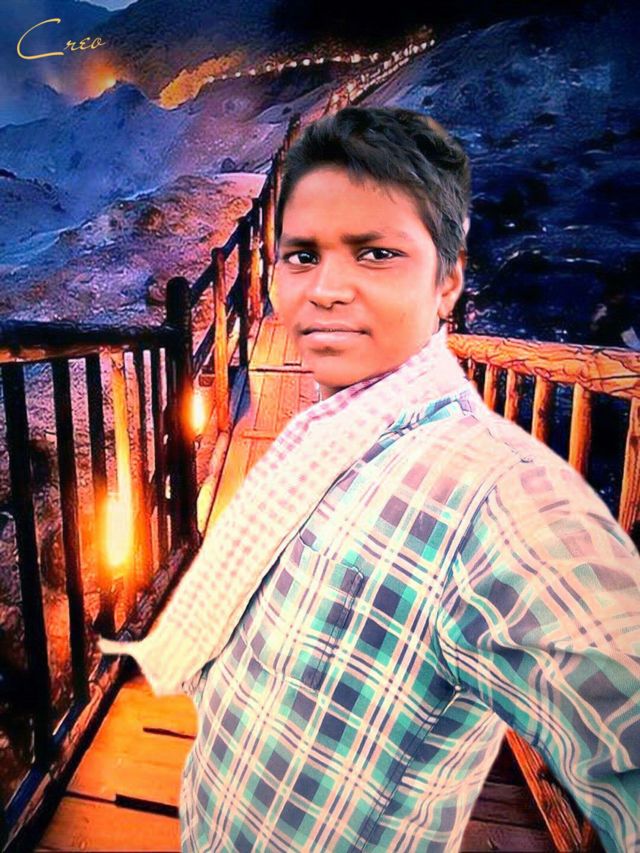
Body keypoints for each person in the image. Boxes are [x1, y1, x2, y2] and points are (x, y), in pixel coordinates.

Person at [100, 106, 640, 852]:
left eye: (377, 253)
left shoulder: (494, 501)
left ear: (447, 281)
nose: (326, 289)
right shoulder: (323, 433)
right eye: (302, 255)